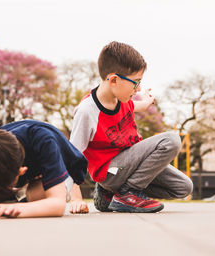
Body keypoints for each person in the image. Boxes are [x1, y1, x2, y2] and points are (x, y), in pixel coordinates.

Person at [69, 41, 193, 213]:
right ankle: (127, 193)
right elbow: (72, 155)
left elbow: (137, 106)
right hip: (110, 170)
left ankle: (110, 195)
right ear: (114, 80)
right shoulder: (87, 111)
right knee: (171, 140)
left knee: (183, 187)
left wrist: (146, 101)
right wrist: (76, 199)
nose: (138, 88)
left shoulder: (122, 100)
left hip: (131, 166)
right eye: (135, 82)